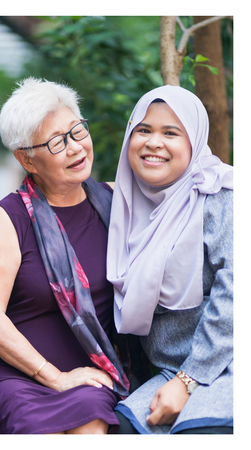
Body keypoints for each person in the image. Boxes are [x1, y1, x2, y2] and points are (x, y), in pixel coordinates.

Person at [0, 78, 130, 434]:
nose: (75, 148)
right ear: (27, 159)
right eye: (56, 142)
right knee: (32, 421)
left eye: (77, 131)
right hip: (17, 375)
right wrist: (54, 377)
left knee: (90, 413)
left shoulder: (117, 204)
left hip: (92, 374)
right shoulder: (10, 217)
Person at [107, 86, 233, 434]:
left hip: (228, 365)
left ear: (194, 141)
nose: (153, 142)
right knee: (119, 429)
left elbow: (237, 297)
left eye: (170, 133)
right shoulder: (128, 205)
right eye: (143, 130)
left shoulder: (221, 195)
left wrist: (188, 379)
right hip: (169, 372)